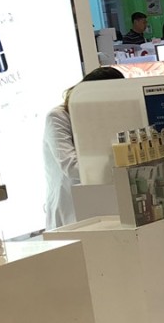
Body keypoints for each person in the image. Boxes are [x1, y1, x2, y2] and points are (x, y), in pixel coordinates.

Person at [42, 65, 124, 229]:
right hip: (70, 209)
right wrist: (116, 169)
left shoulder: (101, 117)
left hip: (101, 204)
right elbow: (71, 167)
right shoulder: (58, 117)